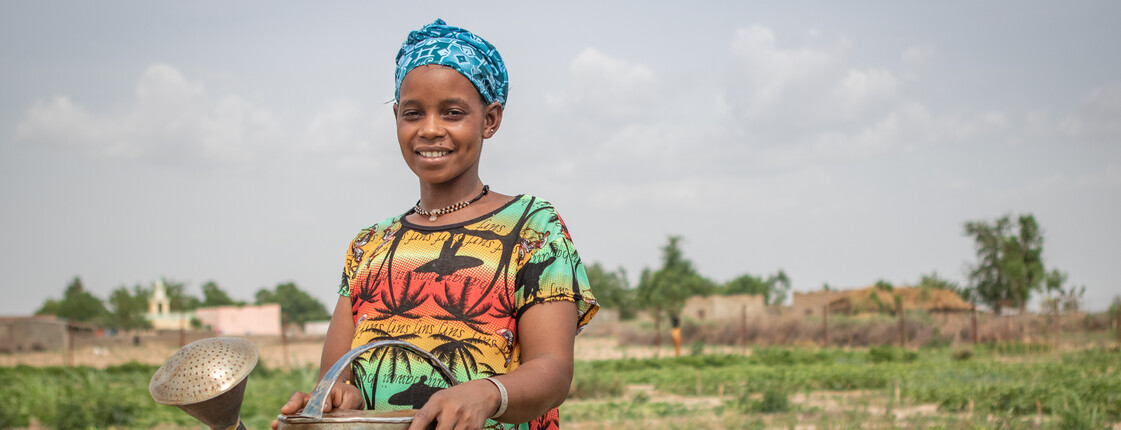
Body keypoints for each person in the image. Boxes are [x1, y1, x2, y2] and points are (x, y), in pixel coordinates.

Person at [273, 19, 598, 430]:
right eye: (413, 113)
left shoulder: (532, 229)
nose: (430, 129)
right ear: (396, 117)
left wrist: (487, 393)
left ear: (490, 119)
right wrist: (339, 398)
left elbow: (552, 370)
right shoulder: (371, 245)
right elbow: (339, 378)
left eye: (452, 113)